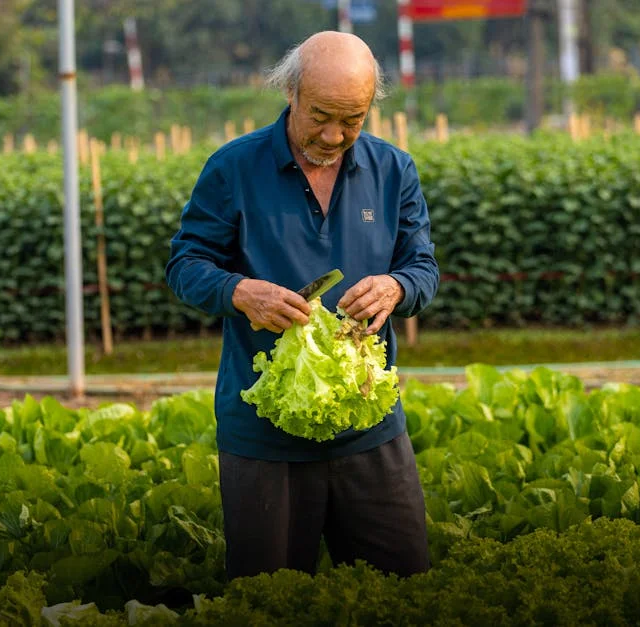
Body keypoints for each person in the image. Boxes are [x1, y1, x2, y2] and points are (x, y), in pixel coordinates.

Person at [165, 31, 439, 580]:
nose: (334, 135)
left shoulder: (393, 170)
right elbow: (185, 265)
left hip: (369, 427)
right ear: (290, 91)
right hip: (264, 435)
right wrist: (239, 291)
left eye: (353, 119)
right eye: (320, 116)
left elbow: (422, 269)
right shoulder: (233, 168)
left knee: (402, 590)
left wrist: (396, 287)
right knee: (271, 599)